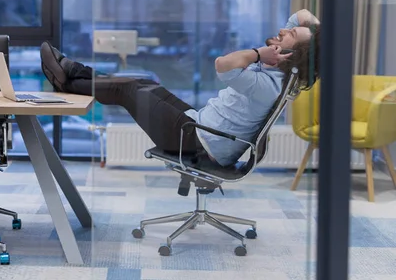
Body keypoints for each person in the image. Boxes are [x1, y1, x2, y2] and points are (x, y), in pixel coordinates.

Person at [40, 10, 321, 168]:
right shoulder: (283, 73)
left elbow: (223, 64)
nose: (285, 30)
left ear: (294, 54)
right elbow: (301, 16)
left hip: (198, 141)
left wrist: (259, 53)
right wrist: (314, 36)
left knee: (128, 91)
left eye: (291, 35)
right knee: (142, 82)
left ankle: (68, 74)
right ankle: (68, 76)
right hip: (199, 125)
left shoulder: (268, 86)